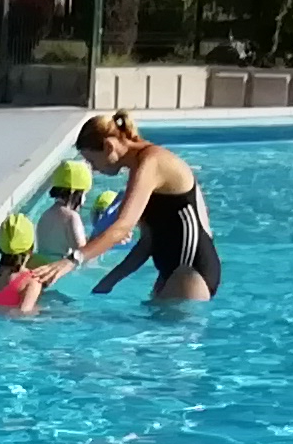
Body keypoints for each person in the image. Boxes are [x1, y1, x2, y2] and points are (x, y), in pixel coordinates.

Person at [74, 114, 219, 304]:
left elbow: (122, 227)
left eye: (92, 161)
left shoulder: (152, 162)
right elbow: (148, 242)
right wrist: (109, 281)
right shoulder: (140, 168)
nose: (94, 169)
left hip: (189, 271)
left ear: (109, 147)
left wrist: (73, 260)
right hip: (175, 270)